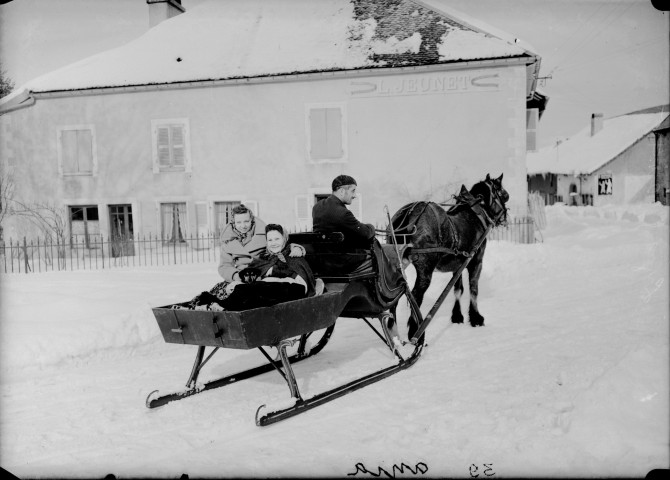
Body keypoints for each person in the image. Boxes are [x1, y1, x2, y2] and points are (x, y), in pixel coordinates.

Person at [218, 223, 316, 311]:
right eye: (270, 240)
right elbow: (252, 274)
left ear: (284, 239)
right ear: (267, 242)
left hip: (292, 289)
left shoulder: (293, 256)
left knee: (252, 289)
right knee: (245, 290)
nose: (273, 243)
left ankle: (225, 306)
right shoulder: (265, 258)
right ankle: (225, 308)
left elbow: (303, 280)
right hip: (269, 290)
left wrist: (275, 277)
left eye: (277, 239)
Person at [312, 175, 376, 275]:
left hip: (321, 261)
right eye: (353, 191)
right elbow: (365, 233)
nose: (355, 195)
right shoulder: (342, 213)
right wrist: (371, 227)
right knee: (377, 257)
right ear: (342, 191)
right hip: (339, 263)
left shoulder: (317, 207)